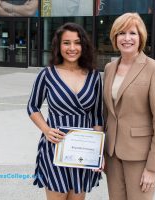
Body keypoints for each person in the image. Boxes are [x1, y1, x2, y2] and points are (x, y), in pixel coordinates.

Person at [27, 22, 104, 200]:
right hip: (55, 147)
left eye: (77, 42)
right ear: (58, 46)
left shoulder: (93, 76)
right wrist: (46, 130)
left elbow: (98, 116)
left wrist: (97, 151)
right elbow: (32, 106)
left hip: (83, 150)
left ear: (83, 46)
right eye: (66, 43)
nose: (72, 48)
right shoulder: (47, 75)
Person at [103, 13, 155, 200]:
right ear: (114, 37)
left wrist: (153, 167)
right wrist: (99, 152)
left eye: (132, 33)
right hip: (112, 153)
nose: (126, 38)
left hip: (140, 156)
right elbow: (106, 114)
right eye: (121, 33)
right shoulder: (109, 68)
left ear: (141, 37)